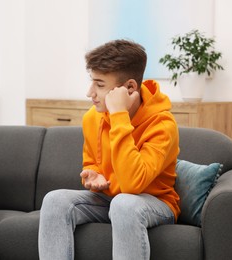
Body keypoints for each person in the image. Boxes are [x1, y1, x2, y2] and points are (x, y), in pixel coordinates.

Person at [38, 39, 180, 260]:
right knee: (54, 200)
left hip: (155, 203)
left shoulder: (163, 125)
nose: (89, 93)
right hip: (111, 199)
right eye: (92, 82)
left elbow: (134, 184)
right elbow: (92, 160)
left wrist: (119, 116)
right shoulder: (92, 118)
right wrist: (94, 174)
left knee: (124, 203)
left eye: (100, 85)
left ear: (130, 88)